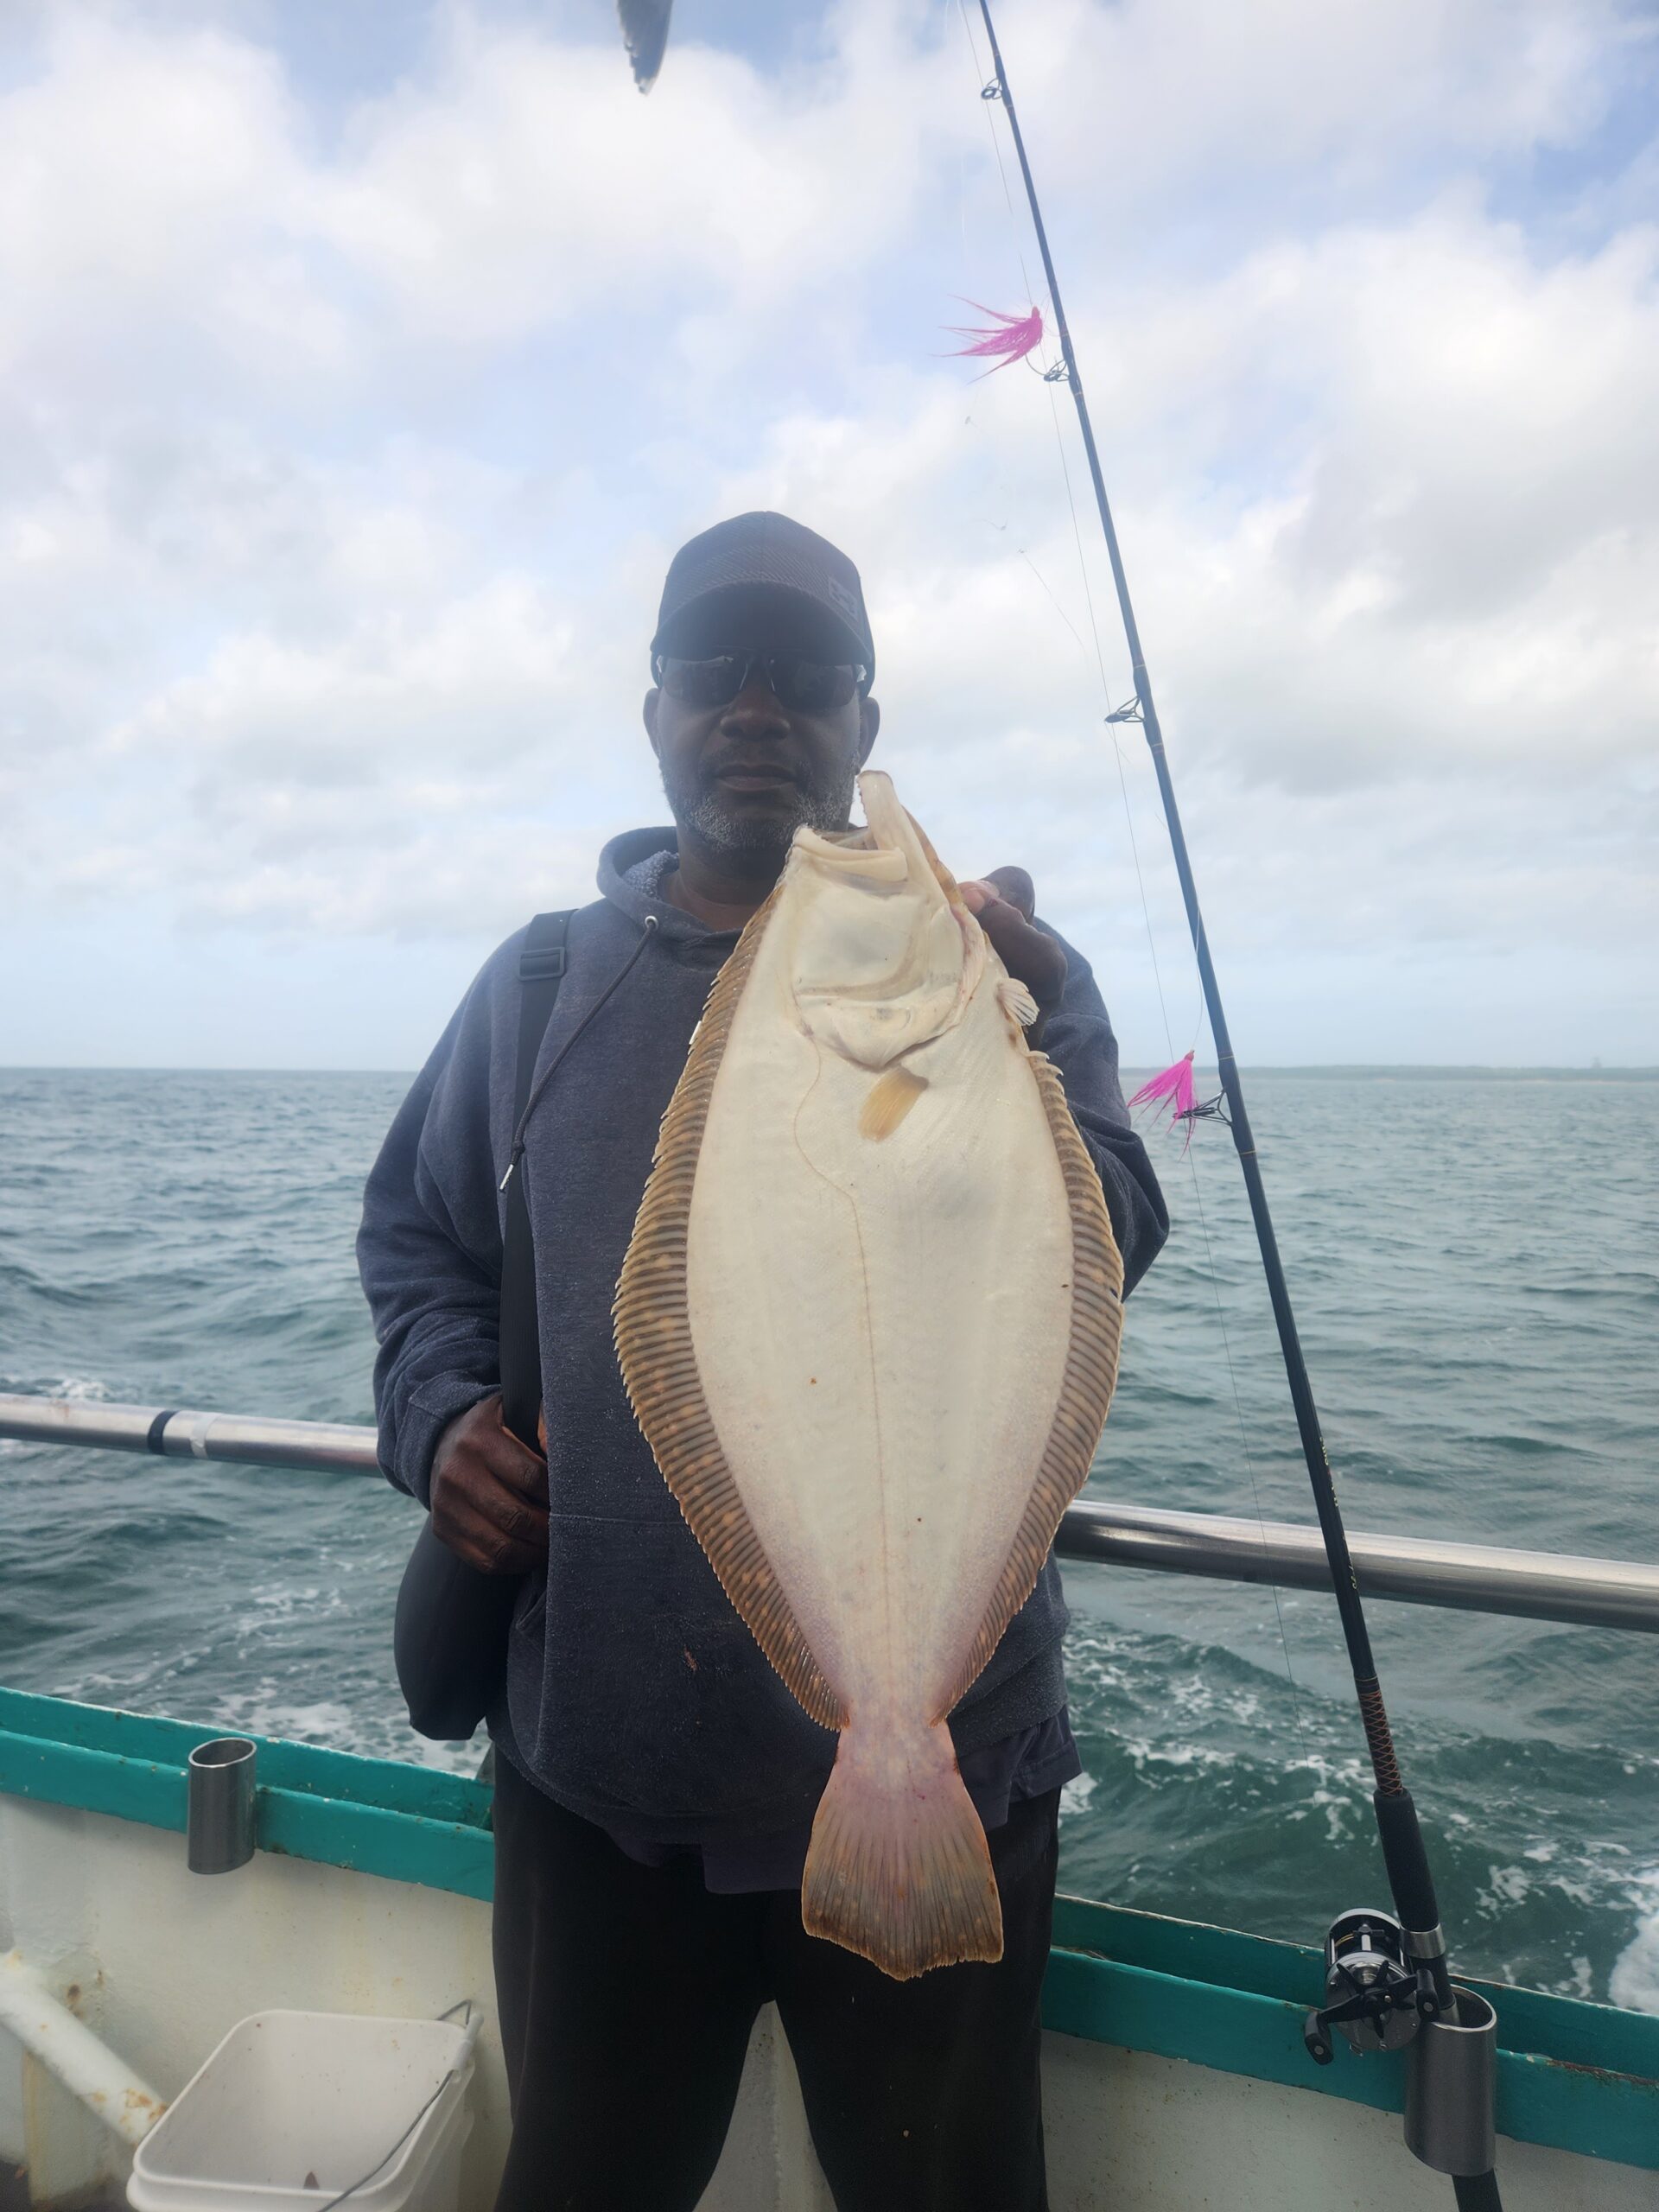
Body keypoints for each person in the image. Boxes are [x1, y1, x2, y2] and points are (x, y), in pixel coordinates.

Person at [358, 512, 1168, 2211]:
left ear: (863, 725)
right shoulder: (533, 987)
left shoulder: (994, 983)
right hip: (607, 1786)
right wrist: (436, 1420)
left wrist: (1047, 1006)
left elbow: (1109, 1238)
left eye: (804, 678)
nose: (754, 709)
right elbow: (412, 1236)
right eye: (713, 672)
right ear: (652, 709)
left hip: (952, 1749)